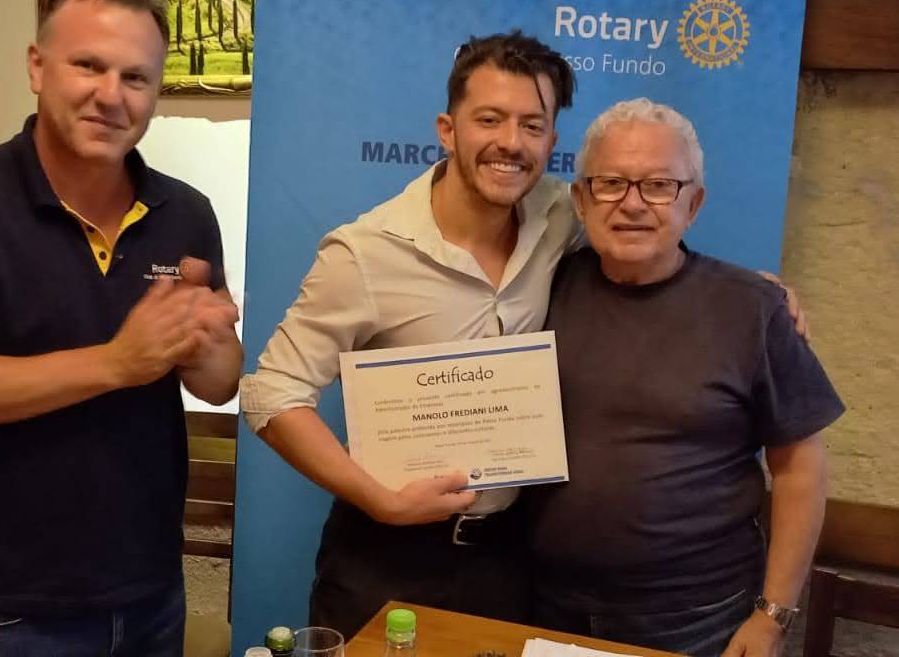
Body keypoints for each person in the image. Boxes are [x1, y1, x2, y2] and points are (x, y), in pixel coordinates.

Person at [239, 32, 808, 637]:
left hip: (511, 563)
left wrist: (758, 293)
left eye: (532, 125)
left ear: (552, 142)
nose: (510, 143)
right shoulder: (365, 253)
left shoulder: (563, 215)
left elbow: (646, 228)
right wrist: (378, 498)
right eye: (490, 119)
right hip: (386, 555)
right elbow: (271, 392)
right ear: (448, 128)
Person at [0, 0, 241, 656]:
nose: (111, 95)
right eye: (88, 66)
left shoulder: (185, 212)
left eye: (136, 78)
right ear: (38, 68)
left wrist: (209, 343)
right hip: (9, 612)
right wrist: (115, 362)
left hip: (152, 592)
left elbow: (218, 383)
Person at [524, 98, 842, 657]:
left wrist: (772, 617)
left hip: (698, 619)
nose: (632, 204)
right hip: (541, 604)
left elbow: (800, 469)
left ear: (693, 205)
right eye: (611, 183)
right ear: (580, 199)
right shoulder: (537, 292)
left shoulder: (753, 309)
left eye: (659, 186)